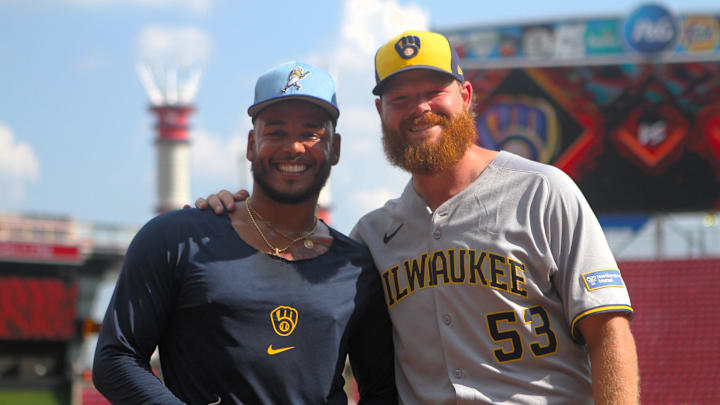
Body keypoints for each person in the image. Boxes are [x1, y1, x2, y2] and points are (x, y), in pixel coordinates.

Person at [196, 31, 640, 405]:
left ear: (465, 97)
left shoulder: (543, 191)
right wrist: (237, 211)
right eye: (401, 97)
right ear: (381, 113)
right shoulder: (371, 235)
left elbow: (609, 333)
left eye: (434, 92)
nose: (419, 107)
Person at [93, 61, 397, 405]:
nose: (294, 147)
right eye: (276, 132)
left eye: (311, 133)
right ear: (252, 144)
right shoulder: (175, 239)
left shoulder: (357, 268)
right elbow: (115, 358)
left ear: (335, 149)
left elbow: (382, 391)